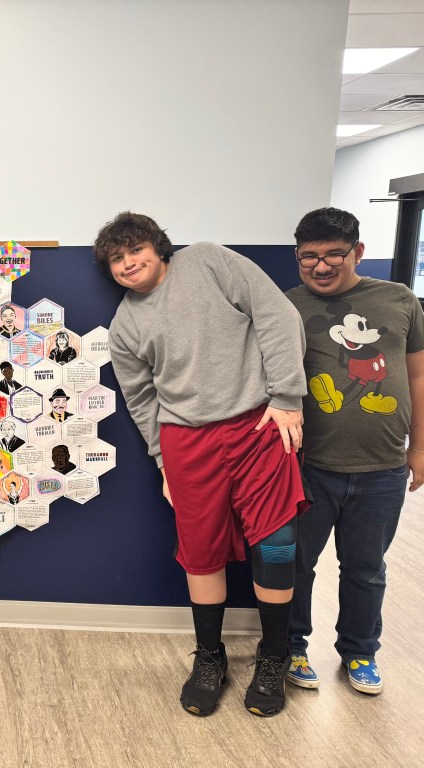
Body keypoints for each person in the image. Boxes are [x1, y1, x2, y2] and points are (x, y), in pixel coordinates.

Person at [96, 211, 307, 718]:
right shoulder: (124, 325)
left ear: (158, 247)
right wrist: (162, 460)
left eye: (135, 251)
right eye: (116, 259)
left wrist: (287, 396)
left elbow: (277, 315)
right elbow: (140, 398)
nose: (127, 263)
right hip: (186, 443)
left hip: (259, 424)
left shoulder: (209, 261)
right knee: (200, 551)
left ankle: (273, 656)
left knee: (277, 546)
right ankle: (210, 657)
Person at [285, 208, 424, 696]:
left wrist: (420, 448)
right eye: (309, 258)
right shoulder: (288, 306)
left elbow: (417, 375)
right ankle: (292, 647)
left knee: (366, 569)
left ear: (358, 252)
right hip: (309, 467)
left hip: (383, 468)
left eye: (333, 255)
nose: (321, 267)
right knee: (297, 566)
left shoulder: (398, 300)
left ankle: (360, 651)